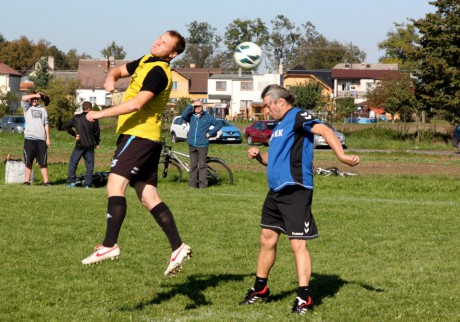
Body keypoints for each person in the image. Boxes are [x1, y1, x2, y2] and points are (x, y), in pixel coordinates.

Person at [239, 84, 360, 314]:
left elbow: (323, 130)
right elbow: (270, 161)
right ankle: (260, 289)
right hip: (275, 191)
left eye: (268, 105)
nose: (266, 110)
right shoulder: (278, 128)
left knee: (297, 243)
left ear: (280, 102)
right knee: (266, 239)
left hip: (295, 189)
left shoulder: (297, 116)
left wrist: (341, 155)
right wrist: (258, 157)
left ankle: (304, 298)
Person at [81, 30, 192, 277]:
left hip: (139, 135)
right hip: (142, 137)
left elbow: (136, 104)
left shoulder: (158, 72)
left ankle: (109, 245)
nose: (157, 42)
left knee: (114, 185)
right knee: (148, 195)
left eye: (164, 43)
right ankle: (178, 247)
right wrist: (110, 78)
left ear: (172, 54)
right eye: (159, 38)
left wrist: (99, 114)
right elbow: (119, 70)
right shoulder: (145, 61)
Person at [181, 101, 222, 188]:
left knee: (202, 165)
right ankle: (192, 185)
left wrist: (210, 134)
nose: (197, 108)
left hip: (202, 145)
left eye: (199, 106)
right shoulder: (191, 116)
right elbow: (183, 115)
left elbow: (218, 125)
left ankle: (202, 186)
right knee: (193, 166)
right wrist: (190, 105)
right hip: (192, 144)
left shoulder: (207, 117)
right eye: (195, 106)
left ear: (202, 106)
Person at [63, 101, 100, 189]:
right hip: (90, 145)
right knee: (89, 165)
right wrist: (97, 142)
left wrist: (74, 134)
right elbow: (96, 132)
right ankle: (88, 184)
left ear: (82, 108)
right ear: (90, 109)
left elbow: (66, 127)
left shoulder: (77, 118)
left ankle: (71, 182)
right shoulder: (93, 118)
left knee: (73, 163)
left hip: (80, 144)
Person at [21, 91, 51, 186]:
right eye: (32, 99)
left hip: (41, 139)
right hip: (29, 138)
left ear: (38, 99)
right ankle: (27, 181)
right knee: (28, 162)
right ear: (30, 99)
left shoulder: (43, 109)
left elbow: (46, 124)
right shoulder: (27, 108)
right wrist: (35, 95)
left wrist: (48, 138)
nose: (34, 100)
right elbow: (23, 98)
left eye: (36, 99)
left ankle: (46, 182)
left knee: (43, 162)